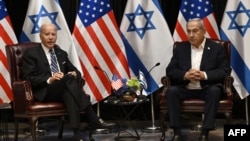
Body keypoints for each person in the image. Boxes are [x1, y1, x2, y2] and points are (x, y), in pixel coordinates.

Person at [22, 23, 112, 141]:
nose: (50, 37)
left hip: (63, 88)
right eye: (47, 34)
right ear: (40, 36)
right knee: (68, 80)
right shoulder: (32, 53)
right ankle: (92, 117)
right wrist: (50, 79)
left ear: (56, 36)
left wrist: (75, 74)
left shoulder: (61, 53)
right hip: (45, 91)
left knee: (68, 91)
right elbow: (29, 77)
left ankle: (77, 135)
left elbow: (75, 71)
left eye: (53, 34)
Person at [165, 18, 231, 141]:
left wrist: (204, 75)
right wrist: (185, 75)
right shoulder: (180, 48)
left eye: (195, 31)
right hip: (186, 88)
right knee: (171, 91)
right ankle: (177, 132)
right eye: (188, 31)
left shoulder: (217, 48)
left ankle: (205, 132)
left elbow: (225, 71)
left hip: (207, 88)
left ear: (204, 31)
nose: (191, 35)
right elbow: (170, 70)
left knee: (215, 91)